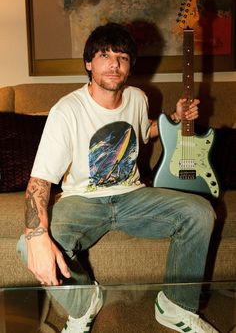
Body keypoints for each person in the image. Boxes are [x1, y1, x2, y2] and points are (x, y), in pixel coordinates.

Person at [17, 23, 218, 333]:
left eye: (122, 57)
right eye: (104, 55)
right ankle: (85, 303)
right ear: (88, 63)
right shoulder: (67, 110)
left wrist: (175, 117)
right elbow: (40, 181)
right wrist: (36, 235)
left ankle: (176, 305)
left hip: (133, 196)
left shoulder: (137, 97)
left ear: (130, 65)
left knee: (200, 212)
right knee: (25, 244)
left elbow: (145, 131)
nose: (114, 64)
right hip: (82, 200)